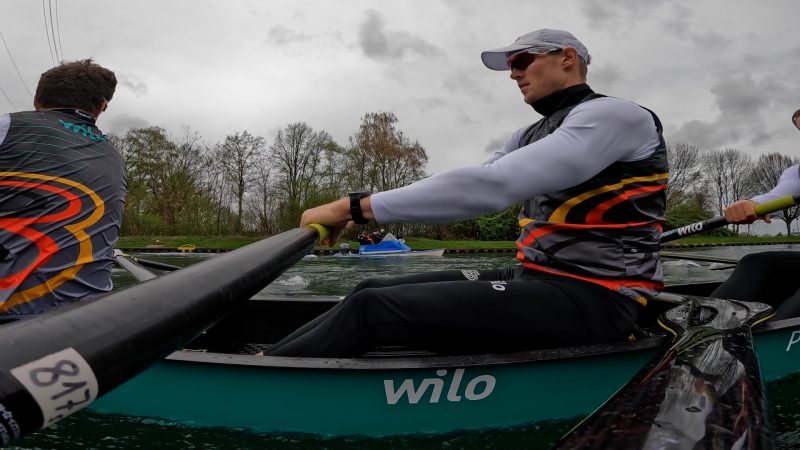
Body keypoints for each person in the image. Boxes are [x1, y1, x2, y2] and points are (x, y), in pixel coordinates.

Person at [267, 29, 668, 357]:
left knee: (372, 311)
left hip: (600, 296)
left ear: (567, 57)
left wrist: (353, 208)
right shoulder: (526, 134)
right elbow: (474, 181)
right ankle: (269, 358)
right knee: (370, 289)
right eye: (511, 66)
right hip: (535, 276)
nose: (513, 74)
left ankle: (257, 378)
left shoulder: (617, 116)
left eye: (521, 61)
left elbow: (494, 188)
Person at [0, 59, 126, 323]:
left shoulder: (7, 126)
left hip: (12, 321)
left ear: (36, 100)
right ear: (102, 108)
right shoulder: (116, 158)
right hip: (91, 323)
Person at [708, 108, 800, 320]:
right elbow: (774, 197)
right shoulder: (796, 173)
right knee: (754, 263)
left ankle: (776, 344)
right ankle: (704, 331)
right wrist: (751, 204)